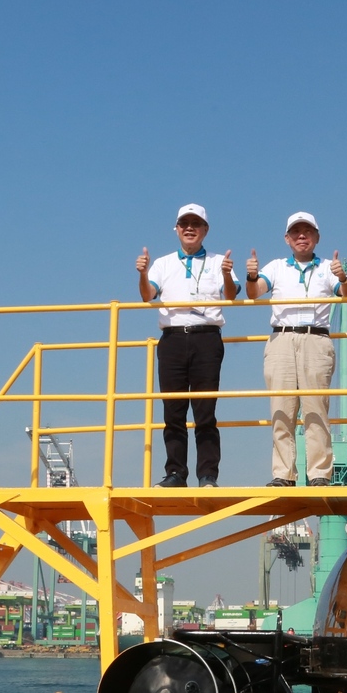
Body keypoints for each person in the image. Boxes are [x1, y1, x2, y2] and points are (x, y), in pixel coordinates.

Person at [245, 211, 347, 487]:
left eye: (307, 231)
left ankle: (319, 473)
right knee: (281, 409)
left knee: (315, 410)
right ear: (287, 238)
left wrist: (343, 277)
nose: (302, 236)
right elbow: (254, 292)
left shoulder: (326, 269)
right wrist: (250, 275)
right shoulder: (275, 267)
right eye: (296, 231)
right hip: (281, 339)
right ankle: (284, 474)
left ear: (317, 237)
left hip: (315, 339)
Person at [137, 203, 238, 488]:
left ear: (205, 230)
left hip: (207, 337)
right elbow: (147, 296)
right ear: (177, 229)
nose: (190, 228)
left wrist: (229, 274)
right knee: (173, 410)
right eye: (185, 224)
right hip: (172, 338)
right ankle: (175, 474)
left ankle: (207, 475)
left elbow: (230, 296)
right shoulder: (163, 263)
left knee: (205, 410)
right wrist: (143, 274)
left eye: (196, 224)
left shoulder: (220, 261)